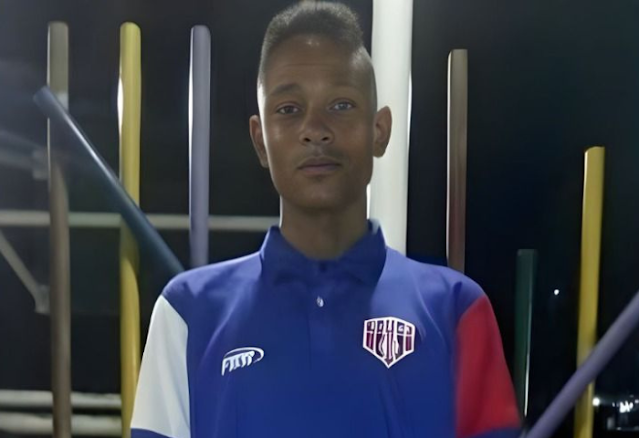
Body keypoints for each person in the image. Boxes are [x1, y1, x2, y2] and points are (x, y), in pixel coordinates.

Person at [130, 3, 520, 438]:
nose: (315, 129)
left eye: (340, 104)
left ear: (379, 130)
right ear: (260, 140)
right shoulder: (187, 312)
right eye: (289, 109)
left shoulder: (455, 308)